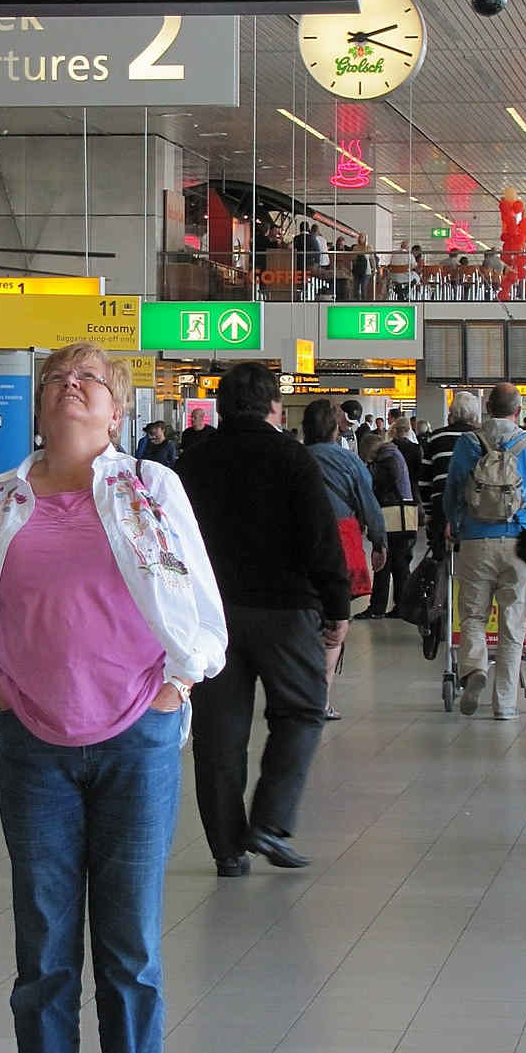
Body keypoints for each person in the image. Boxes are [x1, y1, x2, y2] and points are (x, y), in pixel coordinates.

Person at [0, 342, 225, 1053]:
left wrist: (179, 684)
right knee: (43, 950)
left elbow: (196, 598)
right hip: (34, 741)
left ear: (117, 409)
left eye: (90, 380)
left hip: (137, 738)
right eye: (58, 379)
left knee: (130, 948)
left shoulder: (150, 489)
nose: (72, 388)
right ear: (39, 405)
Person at [176, 361, 348, 876]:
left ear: (221, 408)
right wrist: (337, 605)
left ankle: (227, 850)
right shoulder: (292, 458)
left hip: (211, 616)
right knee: (302, 711)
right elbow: (320, 537)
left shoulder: (192, 464)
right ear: (275, 406)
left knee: (218, 734)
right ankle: (269, 821)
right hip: (286, 611)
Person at [443, 382, 526, 719]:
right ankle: (504, 704)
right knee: (513, 624)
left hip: (475, 540)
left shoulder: (468, 442)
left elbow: (453, 491)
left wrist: (454, 524)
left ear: (487, 408)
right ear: (518, 411)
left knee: (473, 616)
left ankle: (475, 667)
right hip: (519, 544)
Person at [302, 398, 386, 720]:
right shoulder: (348, 460)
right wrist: (379, 542)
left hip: (300, 545)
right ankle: (320, 699)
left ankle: (301, 688)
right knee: (336, 623)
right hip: (341, 543)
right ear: (335, 429)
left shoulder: (294, 457)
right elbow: (369, 503)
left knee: (305, 617)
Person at [358, 427, 418, 619]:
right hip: (403, 517)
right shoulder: (393, 454)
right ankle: (401, 607)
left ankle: (378, 608)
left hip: (394, 517)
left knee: (385, 562)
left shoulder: (388, 458)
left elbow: (379, 483)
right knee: (399, 565)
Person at [421, 390, 481, 554]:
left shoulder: (435, 437)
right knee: (471, 555)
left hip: (441, 502)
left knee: (440, 555)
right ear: (475, 415)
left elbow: (424, 480)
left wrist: (429, 512)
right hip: (474, 504)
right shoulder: (481, 438)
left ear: (451, 412)